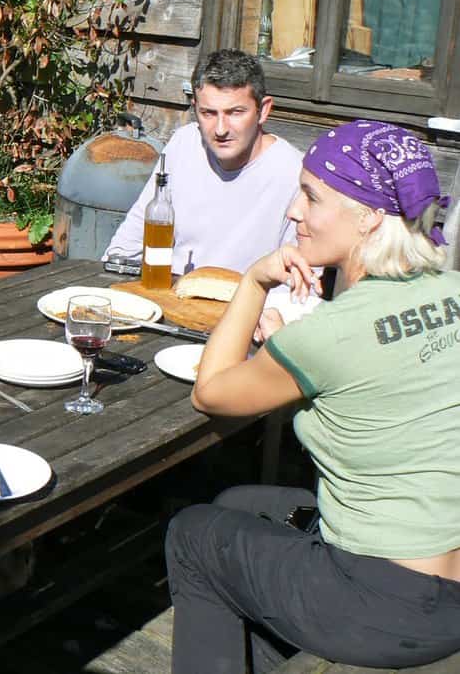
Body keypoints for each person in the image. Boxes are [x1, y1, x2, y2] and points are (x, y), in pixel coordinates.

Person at [165, 120, 460, 674]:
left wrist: (254, 280)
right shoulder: (453, 290)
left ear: (369, 217)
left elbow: (211, 392)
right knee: (239, 505)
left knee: (194, 536)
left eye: (311, 197)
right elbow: (381, 356)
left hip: (388, 602)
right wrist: (299, 342)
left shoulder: (329, 334)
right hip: (448, 578)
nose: (293, 211)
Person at [103, 48, 303, 275]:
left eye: (235, 113)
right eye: (208, 113)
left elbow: (299, 285)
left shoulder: (292, 174)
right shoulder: (185, 144)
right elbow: (130, 243)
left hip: (249, 305)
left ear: (263, 110)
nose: (220, 129)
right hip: (174, 294)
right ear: (195, 108)